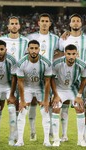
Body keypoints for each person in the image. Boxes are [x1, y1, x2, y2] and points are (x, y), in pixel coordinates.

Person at [26, 13, 61, 141]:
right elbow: (27, 53)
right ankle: (32, 132)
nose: (45, 23)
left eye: (47, 21)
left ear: (50, 24)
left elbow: (62, 52)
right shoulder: (31, 37)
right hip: (33, 73)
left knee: (50, 103)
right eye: (43, 21)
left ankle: (51, 132)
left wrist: (52, 61)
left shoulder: (56, 39)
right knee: (33, 102)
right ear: (38, 23)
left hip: (49, 74)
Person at [59, 14, 86, 142]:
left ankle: (84, 136)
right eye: (73, 21)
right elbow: (58, 53)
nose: (75, 23)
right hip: (67, 76)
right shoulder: (63, 39)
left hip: (82, 76)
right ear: (69, 23)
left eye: (78, 21)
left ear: (81, 23)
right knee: (65, 105)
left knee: (82, 106)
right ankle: (63, 134)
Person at [14, 40, 52, 147]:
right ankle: (20, 140)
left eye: (36, 48)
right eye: (32, 48)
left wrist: (45, 100)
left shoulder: (46, 62)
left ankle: (46, 140)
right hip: (27, 88)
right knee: (22, 112)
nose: (34, 51)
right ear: (28, 49)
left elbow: (47, 82)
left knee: (45, 112)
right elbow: (20, 83)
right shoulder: (21, 63)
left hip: (40, 88)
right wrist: (22, 100)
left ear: (39, 49)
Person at [0, 16, 29, 145]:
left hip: (19, 77)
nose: (14, 26)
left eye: (16, 23)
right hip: (3, 77)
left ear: (19, 26)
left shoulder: (26, 41)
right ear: (8, 26)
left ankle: (15, 134)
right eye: (12, 24)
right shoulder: (2, 39)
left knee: (16, 106)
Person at [51, 44, 86, 147]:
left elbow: (84, 79)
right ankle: (56, 139)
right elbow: (52, 79)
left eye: (73, 54)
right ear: (64, 54)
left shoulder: (82, 64)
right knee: (55, 108)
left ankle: (81, 140)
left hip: (73, 89)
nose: (71, 56)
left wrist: (79, 95)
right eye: (69, 54)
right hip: (59, 90)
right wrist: (55, 95)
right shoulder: (57, 63)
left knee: (80, 109)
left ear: (77, 54)